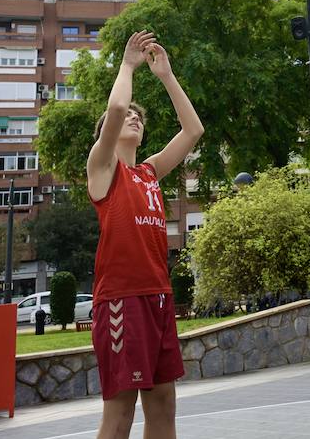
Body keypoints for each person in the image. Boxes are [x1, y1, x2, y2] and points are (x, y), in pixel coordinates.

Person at [86, 30, 205, 439]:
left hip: (158, 298)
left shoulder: (149, 172)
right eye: (128, 118)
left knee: (163, 411)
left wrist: (167, 76)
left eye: (141, 117)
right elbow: (117, 106)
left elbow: (193, 131)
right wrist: (128, 64)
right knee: (119, 417)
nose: (134, 117)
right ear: (108, 132)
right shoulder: (104, 169)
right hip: (122, 300)